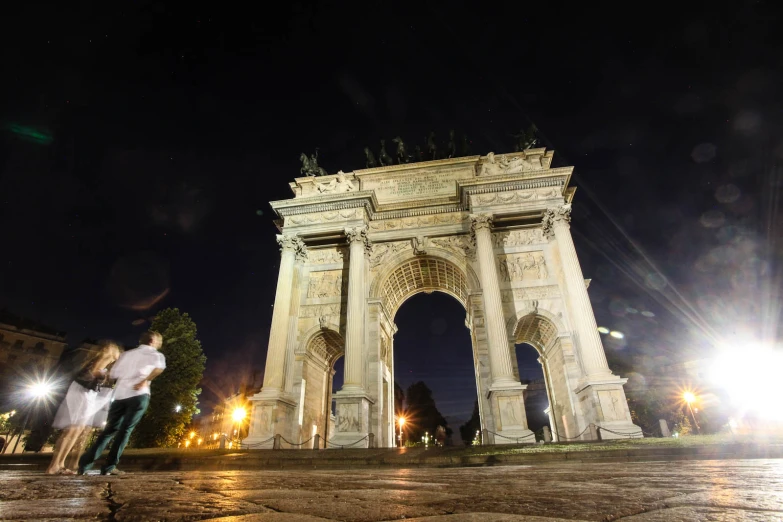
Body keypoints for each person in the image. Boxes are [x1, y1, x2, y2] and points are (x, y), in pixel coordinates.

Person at [78, 331, 166, 475]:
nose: (159, 345)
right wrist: (145, 379)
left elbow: (113, 374)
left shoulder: (126, 354)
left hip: (119, 395)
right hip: (139, 395)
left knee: (109, 431)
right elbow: (159, 369)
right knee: (125, 431)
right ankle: (109, 467)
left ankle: (85, 464)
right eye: (158, 342)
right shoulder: (157, 355)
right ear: (152, 341)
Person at [46, 340, 121, 475]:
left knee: (77, 429)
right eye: (117, 351)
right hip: (83, 392)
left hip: (84, 391)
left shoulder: (100, 360)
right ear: (112, 351)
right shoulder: (105, 359)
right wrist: (103, 377)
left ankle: (60, 464)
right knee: (73, 429)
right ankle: (54, 466)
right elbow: (95, 373)